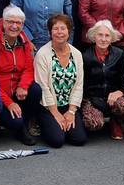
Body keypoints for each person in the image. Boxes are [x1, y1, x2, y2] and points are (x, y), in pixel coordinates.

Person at [0, 6, 38, 145]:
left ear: (22, 25)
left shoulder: (25, 43)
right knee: (15, 122)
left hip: (17, 90)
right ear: (3, 23)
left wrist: (23, 86)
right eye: (10, 22)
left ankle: (23, 126)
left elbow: (29, 69)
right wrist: (9, 103)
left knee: (36, 90)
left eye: (18, 23)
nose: (14, 26)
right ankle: (5, 122)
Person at [34, 14, 88, 148]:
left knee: (79, 139)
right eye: (55, 29)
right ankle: (41, 122)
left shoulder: (77, 54)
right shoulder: (42, 54)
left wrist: (71, 111)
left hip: (68, 105)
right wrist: (55, 113)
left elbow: (79, 85)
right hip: (48, 106)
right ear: (50, 32)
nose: (59, 32)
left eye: (63, 28)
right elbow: (43, 86)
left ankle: (62, 125)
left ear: (69, 32)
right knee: (57, 140)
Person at [81, 20, 124, 140]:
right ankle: (99, 117)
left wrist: (120, 92)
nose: (103, 39)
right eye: (100, 35)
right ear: (94, 37)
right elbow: (81, 84)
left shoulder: (120, 54)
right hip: (92, 98)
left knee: (122, 105)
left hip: (113, 97)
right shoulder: (85, 56)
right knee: (93, 123)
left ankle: (116, 121)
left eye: (107, 35)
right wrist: (90, 100)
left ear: (111, 38)